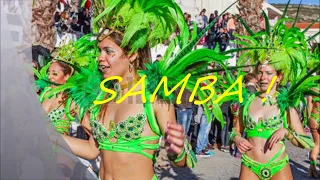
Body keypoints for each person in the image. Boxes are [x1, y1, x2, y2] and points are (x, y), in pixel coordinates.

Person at [50, 1, 199, 180]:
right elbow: (92, 150)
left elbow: (181, 161)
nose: (100, 58)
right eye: (99, 51)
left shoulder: (153, 97)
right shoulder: (102, 97)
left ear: (132, 54)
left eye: (108, 51)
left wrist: (177, 151)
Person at [230, 6, 318, 179]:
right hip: (249, 165)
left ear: (279, 77)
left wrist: (286, 132)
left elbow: (306, 142)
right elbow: (235, 130)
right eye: (260, 72)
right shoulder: (247, 101)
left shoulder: (286, 104)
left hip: (278, 165)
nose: (263, 77)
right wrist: (237, 139)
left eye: (269, 73)